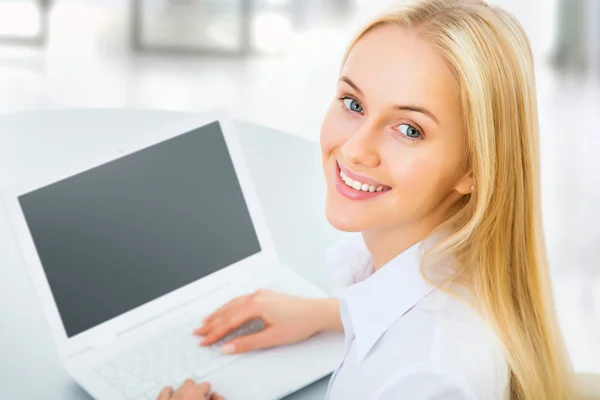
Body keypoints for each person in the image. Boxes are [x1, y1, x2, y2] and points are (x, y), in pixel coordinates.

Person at [157, 0, 576, 398]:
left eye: (409, 130)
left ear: (475, 168)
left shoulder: (424, 379)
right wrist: (330, 314)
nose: (356, 149)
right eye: (353, 103)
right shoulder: (453, 270)